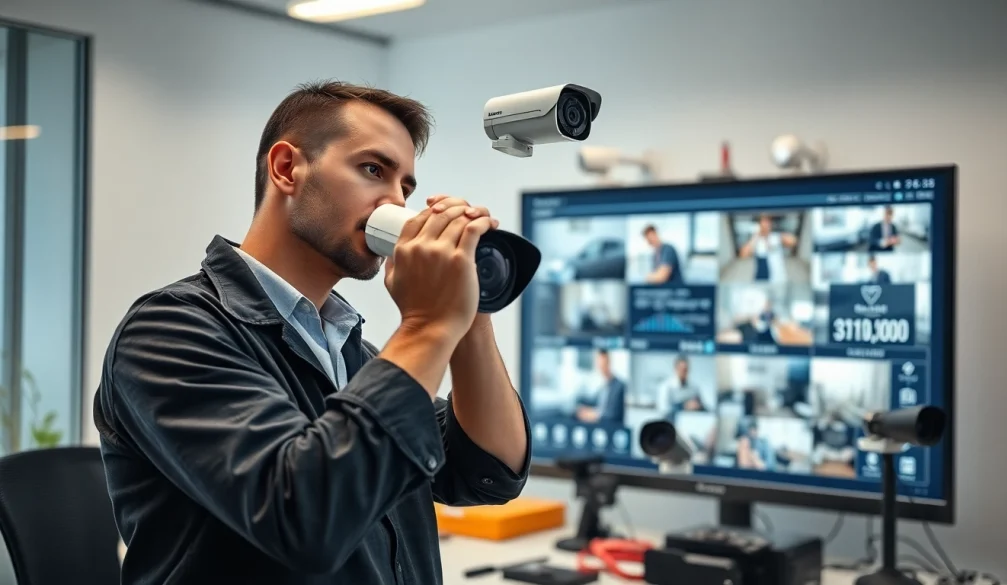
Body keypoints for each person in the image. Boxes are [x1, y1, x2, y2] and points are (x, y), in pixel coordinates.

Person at [93, 81, 531, 584]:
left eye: (405, 187)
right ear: (287, 168)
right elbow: (305, 516)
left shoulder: (350, 352)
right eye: (373, 170)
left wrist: (471, 315)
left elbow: (487, 472)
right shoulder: (168, 332)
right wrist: (429, 323)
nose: (396, 203)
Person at [739, 213, 797, 282]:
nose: (766, 225)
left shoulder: (776, 237)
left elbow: (793, 242)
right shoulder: (756, 240)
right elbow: (743, 255)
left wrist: (778, 236)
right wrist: (756, 236)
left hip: (778, 280)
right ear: (759, 224)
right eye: (764, 221)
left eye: (768, 222)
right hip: (762, 281)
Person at [575, 349, 626, 425]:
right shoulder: (603, 387)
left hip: (612, 429)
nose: (600, 367)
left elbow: (613, 414)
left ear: (608, 362)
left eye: (602, 363)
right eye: (598, 364)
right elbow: (594, 402)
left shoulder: (619, 386)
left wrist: (595, 415)